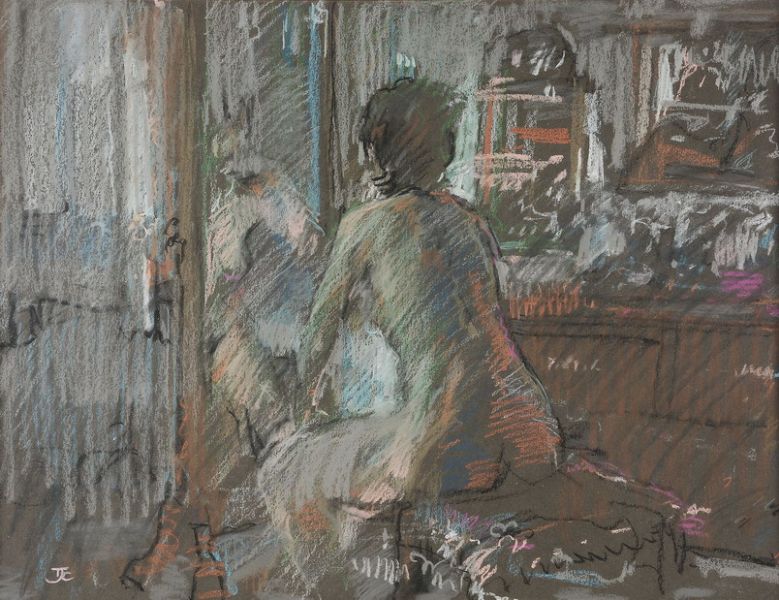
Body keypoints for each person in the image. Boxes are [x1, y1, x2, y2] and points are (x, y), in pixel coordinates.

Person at [258, 78, 565, 597]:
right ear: (443, 150)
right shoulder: (470, 223)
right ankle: (411, 575)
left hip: (445, 439)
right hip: (531, 429)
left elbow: (316, 342)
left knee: (283, 471)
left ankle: (337, 591)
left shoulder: (364, 225)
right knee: (383, 447)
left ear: (375, 150)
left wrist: (303, 413)